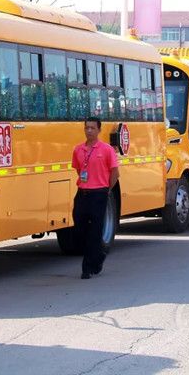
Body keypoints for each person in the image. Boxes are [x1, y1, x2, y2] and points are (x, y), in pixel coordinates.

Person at [71, 117, 119, 279]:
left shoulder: (106, 150)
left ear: (99, 130)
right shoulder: (78, 150)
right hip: (82, 193)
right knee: (79, 229)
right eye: (87, 128)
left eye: (92, 128)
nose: (89, 131)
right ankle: (99, 256)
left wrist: (106, 189)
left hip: (99, 194)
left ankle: (87, 268)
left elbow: (115, 173)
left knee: (95, 231)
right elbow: (79, 170)